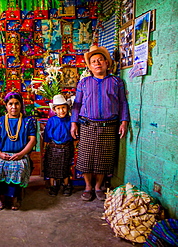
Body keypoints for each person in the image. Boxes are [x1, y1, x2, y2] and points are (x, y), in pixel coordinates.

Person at [70, 46, 130, 201]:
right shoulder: (83, 83)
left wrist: (124, 122)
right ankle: (88, 186)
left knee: (103, 159)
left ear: (106, 63)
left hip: (109, 126)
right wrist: (73, 123)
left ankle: (98, 186)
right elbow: (77, 104)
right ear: (89, 67)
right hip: (87, 125)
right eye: (93, 62)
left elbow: (123, 103)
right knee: (86, 158)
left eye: (100, 60)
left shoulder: (117, 82)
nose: (97, 63)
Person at [0, 92, 37, 211]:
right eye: (10, 104)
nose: (14, 107)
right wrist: (0, 154)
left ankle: (14, 198)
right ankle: (1, 198)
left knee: (17, 168)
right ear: (6, 106)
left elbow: (32, 140)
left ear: (21, 105)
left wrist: (21, 154)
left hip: (20, 154)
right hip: (2, 154)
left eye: (17, 104)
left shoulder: (27, 121)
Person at [43, 94, 74, 197]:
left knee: (65, 167)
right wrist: (46, 145)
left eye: (63, 107)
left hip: (66, 147)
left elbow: (74, 133)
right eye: (59, 108)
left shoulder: (71, 120)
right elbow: (47, 134)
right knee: (52, 168)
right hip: (53, 147)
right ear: (55, 110)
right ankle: (53, 186)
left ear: (67, 108)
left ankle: (66, 185)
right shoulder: (52, 120)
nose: (62, 111)